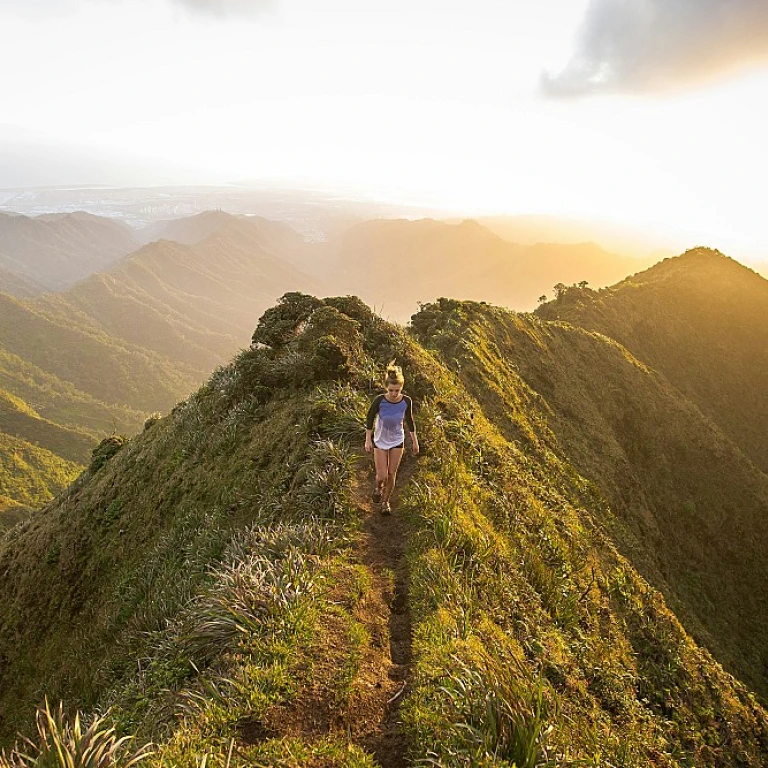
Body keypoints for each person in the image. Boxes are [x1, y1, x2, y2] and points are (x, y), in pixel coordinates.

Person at [365, 361, 419, 514]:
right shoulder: (379, 401)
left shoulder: (406, 401)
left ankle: (385, 502)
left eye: (397, 390)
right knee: (381, 475)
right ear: (386, 388)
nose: (394, 393)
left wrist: (415, 442)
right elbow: (369, 418)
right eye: (391, 390)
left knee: (391, 474)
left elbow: (409, 420)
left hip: (397, 440)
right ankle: (378, 488)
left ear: (401, 388)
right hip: (380, 440)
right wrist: (368, 440)